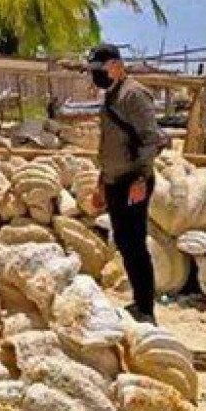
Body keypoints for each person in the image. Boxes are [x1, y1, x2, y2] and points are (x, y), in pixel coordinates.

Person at [89, 44, 166, 325]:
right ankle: (139, 302)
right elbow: (108, 144)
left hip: (133, 182)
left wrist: (141, 178)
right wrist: (101, 182)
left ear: (116, 65)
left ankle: (146, 309)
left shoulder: (134, 95)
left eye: (100, 69)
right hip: (114, 181)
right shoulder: (111, 96)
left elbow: (150, 139)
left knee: (135, 244)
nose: (95, 75)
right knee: (123, 242)